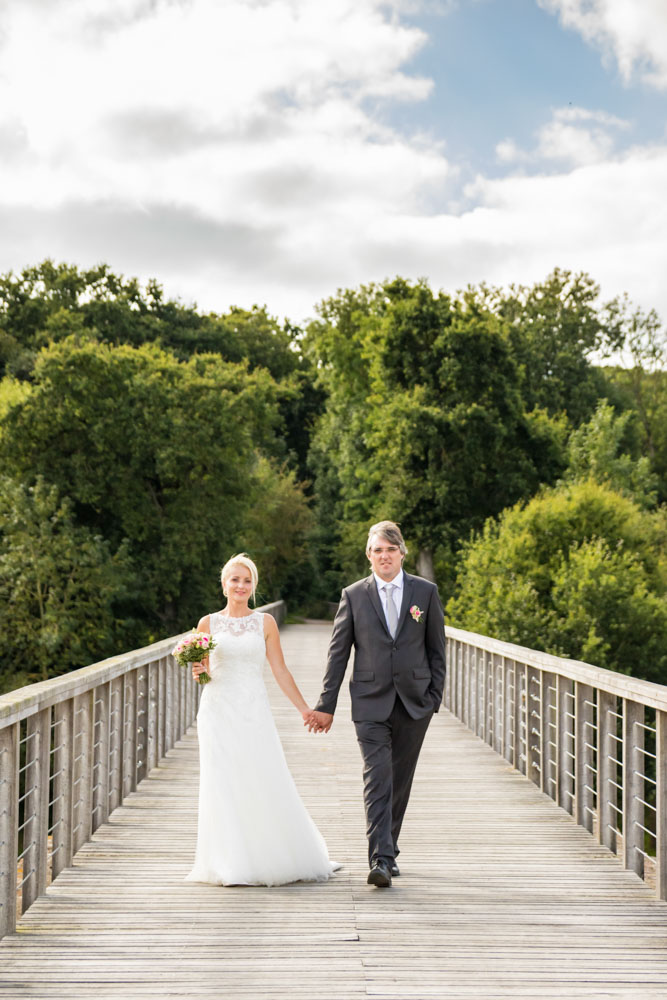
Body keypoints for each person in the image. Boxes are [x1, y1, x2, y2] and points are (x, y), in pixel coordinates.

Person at [305, 521, 446, 888]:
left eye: (391, 549)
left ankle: (389, 846)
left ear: (402, 553)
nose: (385, 556)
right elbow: (338, 654)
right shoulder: (353, 595)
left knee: (400, 780)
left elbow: (437, 649)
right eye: (378, 550)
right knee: (377, 776)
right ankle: (380, 859)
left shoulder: (425, 592)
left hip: (414, 702)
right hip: (369, 701)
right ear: (369, 556)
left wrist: (434, 698)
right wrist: (326, 704)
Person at [186, 553, 339, 887]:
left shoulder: (265, 623)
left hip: (253, 709)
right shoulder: (207, 624)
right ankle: (228, 861)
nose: (241, 586)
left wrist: (304, 709)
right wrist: (198, 671)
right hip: (218, 710)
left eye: (247, 581)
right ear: (224, 584)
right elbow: (204, 674)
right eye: (235, 580)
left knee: (260, 775)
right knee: (222, 780)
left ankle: (265, 856)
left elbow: (279, 670)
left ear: (253, 586)